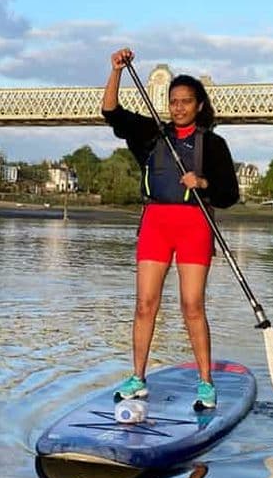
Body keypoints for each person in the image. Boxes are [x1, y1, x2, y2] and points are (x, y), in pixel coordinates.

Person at [102, 47, 239, 411]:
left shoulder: (213, 143)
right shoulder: (151, 134)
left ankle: (206, 384)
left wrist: (203, 182)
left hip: (194, 224)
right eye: (173, 101)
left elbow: (230, 195)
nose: (178, 107)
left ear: (198, 105)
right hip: (156, 225)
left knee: (192, 306)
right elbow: (110, 112)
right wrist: (115, 70)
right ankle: (138, 378)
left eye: (185, 102)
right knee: (145, 304)